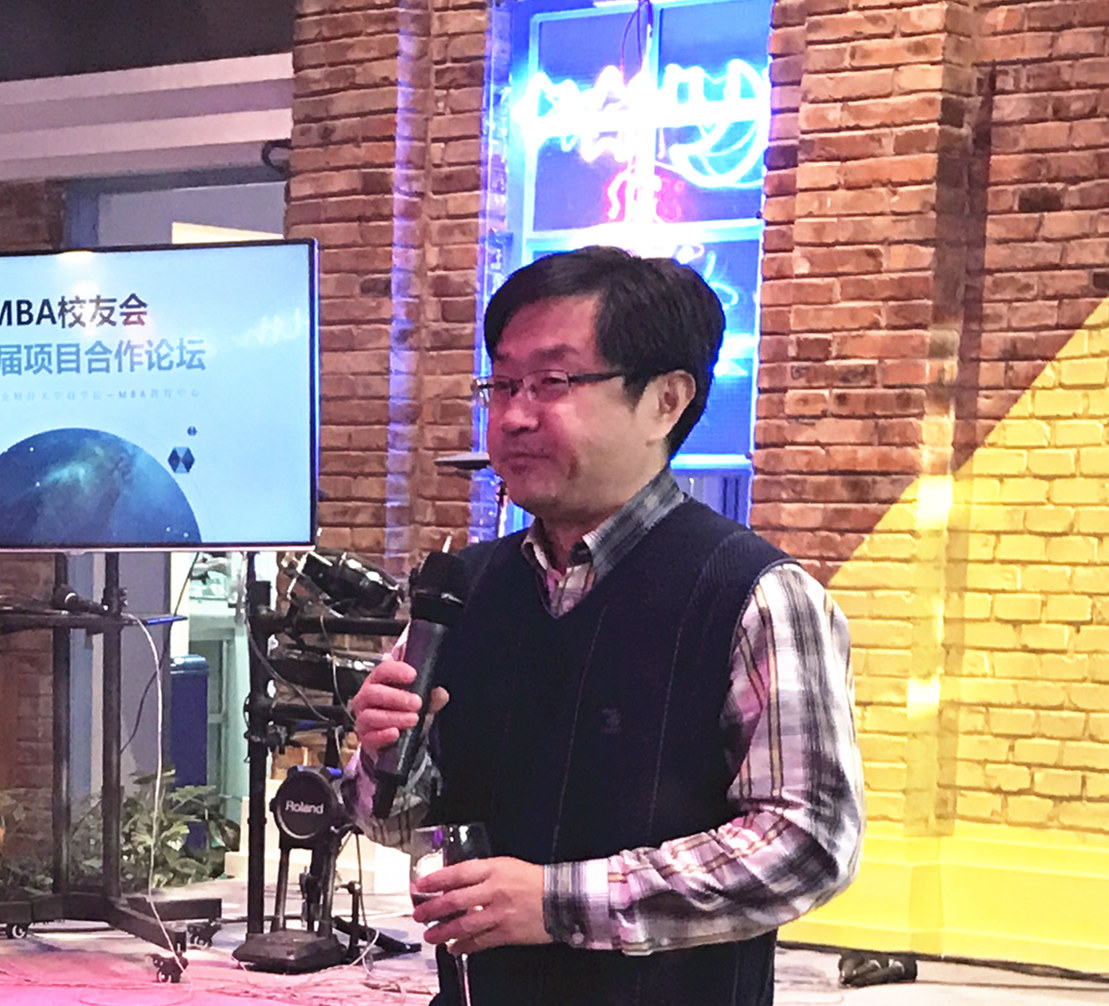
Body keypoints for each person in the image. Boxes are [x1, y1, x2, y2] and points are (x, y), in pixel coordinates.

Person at [344, 246, 864, 1005]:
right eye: (502, 384)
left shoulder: (753, 595)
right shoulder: (465, 590)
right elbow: (395, 821)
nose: (515, 415)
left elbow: (807, 843)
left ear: (666, 401)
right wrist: (385, 754)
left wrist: (557, 903)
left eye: (553, 382)